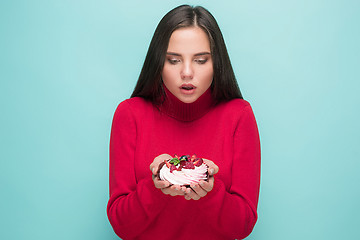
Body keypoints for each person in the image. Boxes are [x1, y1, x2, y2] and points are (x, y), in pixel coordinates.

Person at [107, 4, 260, 240]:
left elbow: (243, 225)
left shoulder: (239, 115)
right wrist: (156, 185)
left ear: (216, 63)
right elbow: (121, 225)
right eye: (174, 60)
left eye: (200, 60)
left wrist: (210, 190)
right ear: (158, 62)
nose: (187, 73)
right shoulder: (130, 114)